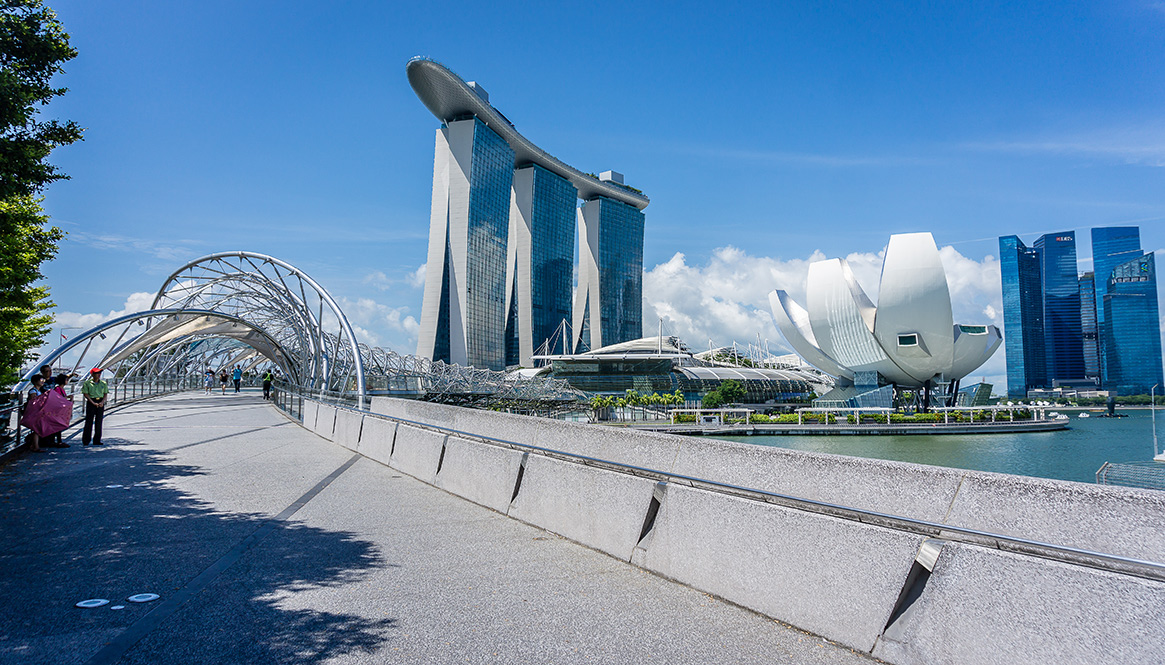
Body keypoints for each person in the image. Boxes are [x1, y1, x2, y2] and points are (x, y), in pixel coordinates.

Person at [81, 367, 108, 446]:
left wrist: (102, 402)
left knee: (99, 422)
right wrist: (93, 403)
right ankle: (86, 440)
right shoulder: (87, 383)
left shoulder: (103, 383)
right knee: (89, 421)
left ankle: (97, 440)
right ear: (92, 374)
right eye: (96, 373)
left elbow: (105, 393)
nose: (98, 375)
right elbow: (86, 394)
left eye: (99, 373)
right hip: (91, 402)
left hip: (100, 402)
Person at [45, 374, 72, 448]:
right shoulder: (58, 389)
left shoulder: (61, 389)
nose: (67, 381)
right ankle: (56, 442)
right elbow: (58, 399)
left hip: (59, 411)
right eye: (66, 380)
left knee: (58, 426)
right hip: (56, 411)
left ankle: (57, 441)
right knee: (57, 426)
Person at [23, 375, 47, 453]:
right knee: (36, 429)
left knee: (36, 429)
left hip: (37, 412)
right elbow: (33, 401)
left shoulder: (39, 390)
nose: (42, 381)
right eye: (41, 380)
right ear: (36, 381)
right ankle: (35, 446)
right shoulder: (33, 391)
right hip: (34, 413)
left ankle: (34, 445)